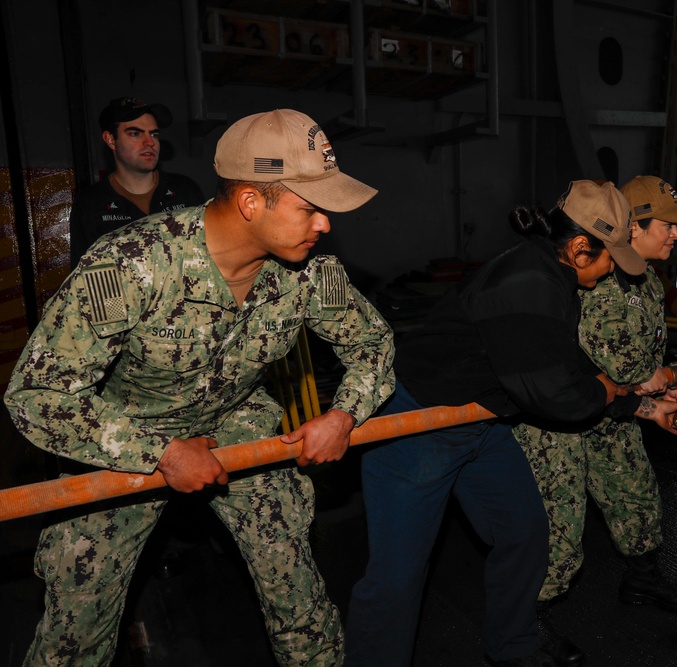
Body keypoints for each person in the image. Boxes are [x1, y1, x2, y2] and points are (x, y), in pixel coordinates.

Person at [5, 109, 395, 667]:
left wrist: (343, 415)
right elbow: (37, 396)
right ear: (251, 203)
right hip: (122, 436)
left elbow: (372, 346)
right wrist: (159, 452)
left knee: (300, 599)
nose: (325, 225)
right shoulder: (133, 265)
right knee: (76, 631)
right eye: (310, 209)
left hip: (235, 422)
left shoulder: (308, 273)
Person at [345, 180, 677, 667]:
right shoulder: (526, 281)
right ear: (578, 247)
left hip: (483, 421)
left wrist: (630, 402)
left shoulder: (555, 275)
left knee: (525, 533)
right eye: (609, 257)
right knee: (397, 575)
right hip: (419, 424)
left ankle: (513, 649)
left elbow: (563, 361)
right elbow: (556, 394)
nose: (614, 267)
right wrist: (607, 393)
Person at [513, 175, 677, 666]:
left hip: (610, 412)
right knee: (559, 528)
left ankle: (642, 579)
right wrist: (659, 385)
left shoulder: (643, 278)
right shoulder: (600, 279)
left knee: (636, 494)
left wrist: (664, 390)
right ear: (634, 226)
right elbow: (623, 364)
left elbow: (642, 364)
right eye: (668, 224)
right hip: (559, 419)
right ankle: (524, 624)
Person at [69, 96, 205, 264]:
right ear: (111, 140)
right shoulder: (90, 204)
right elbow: (84, 278)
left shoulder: (186, 191)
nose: (150, 142)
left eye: (154, 134)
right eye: (135, 133)